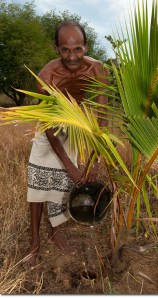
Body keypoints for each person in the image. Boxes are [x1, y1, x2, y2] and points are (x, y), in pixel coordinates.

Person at [24, 20, 109, 268]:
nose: (72, 57)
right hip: (50, 125)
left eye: (78, 49)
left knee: (63, 184)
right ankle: (35, 242)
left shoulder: (97, 69)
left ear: (86, 46)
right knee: (38, 182)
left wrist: (94, 159)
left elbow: (101, 116)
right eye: (65, 50)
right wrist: (69, 164)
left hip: (76, 124)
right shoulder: (47, 76)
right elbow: (50, 127)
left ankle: (55, 230)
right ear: (57, 48)